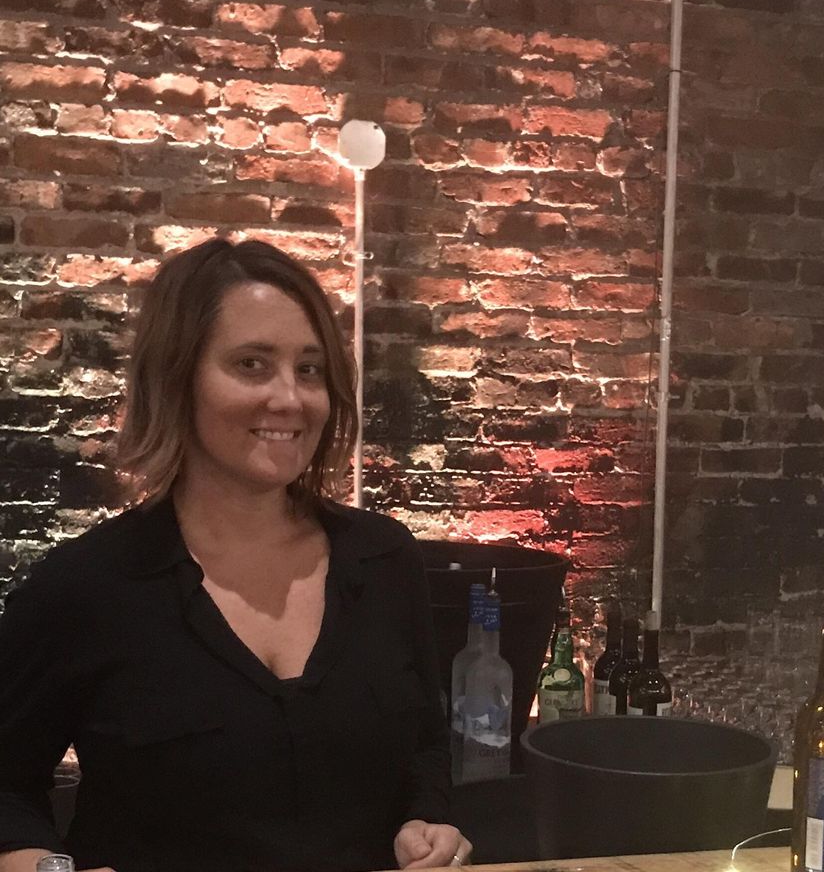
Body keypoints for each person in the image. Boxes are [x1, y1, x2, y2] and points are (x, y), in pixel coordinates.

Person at [0, 237, 471, 872]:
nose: (290, 398)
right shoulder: (87, 586)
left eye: (310, 369)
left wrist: (426, 822)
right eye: (252, 364)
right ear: (177, 379)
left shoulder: (385, 558)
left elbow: (424, 747)